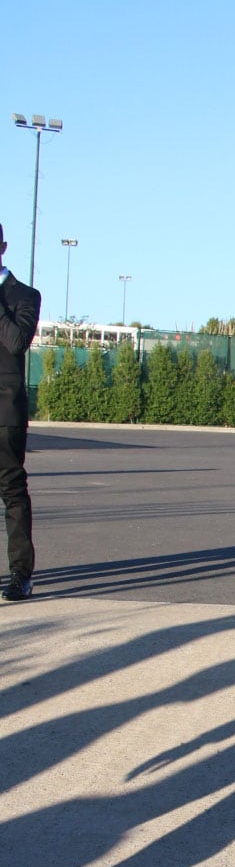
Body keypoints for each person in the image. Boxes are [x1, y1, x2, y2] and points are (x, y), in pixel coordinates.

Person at [0, 222, 41, 602]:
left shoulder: (24, 296)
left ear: (3, 247)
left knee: (12, 491)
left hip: (4, 413)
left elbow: (15, 343)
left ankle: (20, 575)